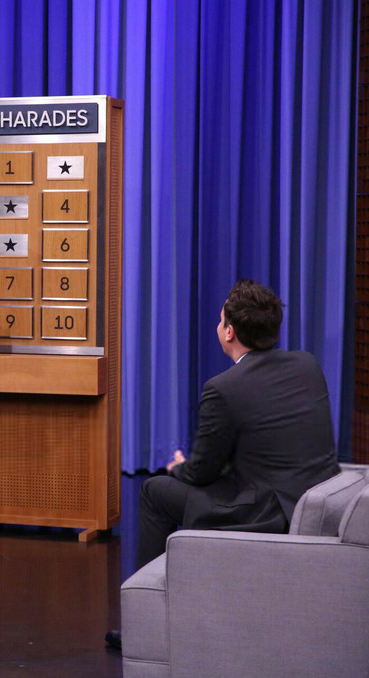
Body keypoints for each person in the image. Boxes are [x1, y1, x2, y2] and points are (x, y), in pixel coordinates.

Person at [106, 279, 340, 650]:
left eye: (220, 321)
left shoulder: (224, 387)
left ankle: (145, 624)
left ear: (229, 332)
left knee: (154, 492)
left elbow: (201, 472)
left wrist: (177, 467)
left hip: (267, 513)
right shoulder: (307, 365)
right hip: (312, 500)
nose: (218, 327)